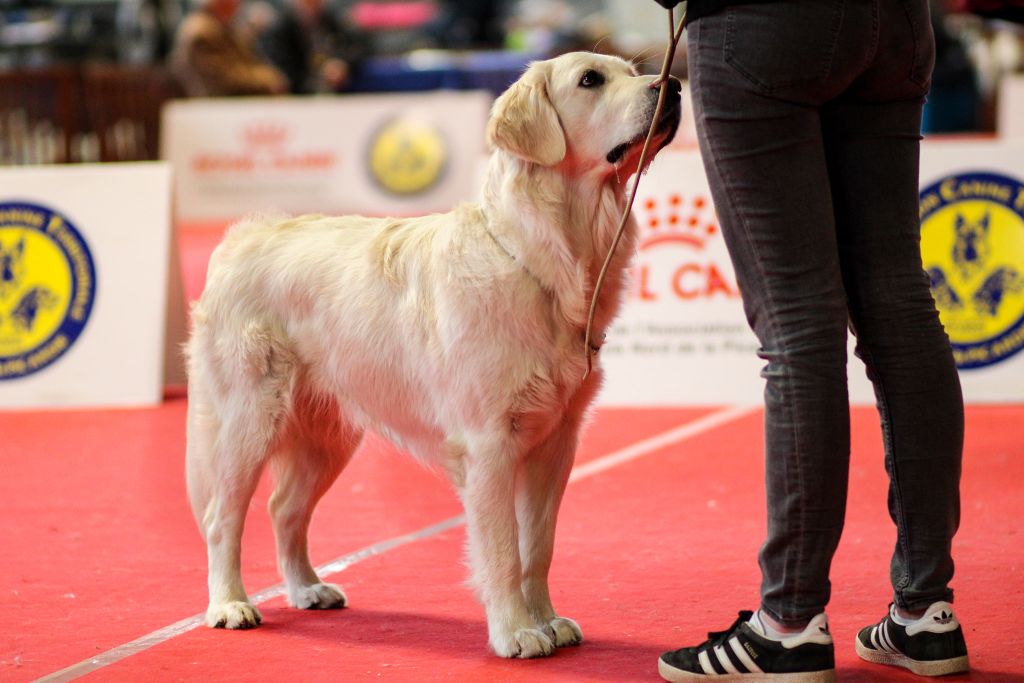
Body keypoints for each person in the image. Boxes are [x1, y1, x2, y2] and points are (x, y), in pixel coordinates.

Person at [651, 1, 969, 681]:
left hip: (760, 23)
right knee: (901, 305)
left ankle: (788, 623)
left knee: (798, 325)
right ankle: (926, 610)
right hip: (895, 22)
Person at [168, 0, 287, 97]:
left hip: (224, 106)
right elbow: (225, 79)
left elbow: (246, 63)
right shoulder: (203, 32)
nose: (238, 5)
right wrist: (268, 79)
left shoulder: (219, 26)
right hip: (210, 110)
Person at [256, 0, 370, 94]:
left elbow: (358, 46)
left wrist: (341, 63)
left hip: (335, 91)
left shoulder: (330, 20)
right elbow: (282, 70)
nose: (313, 4)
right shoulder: (281, 28)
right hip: (299, 93)